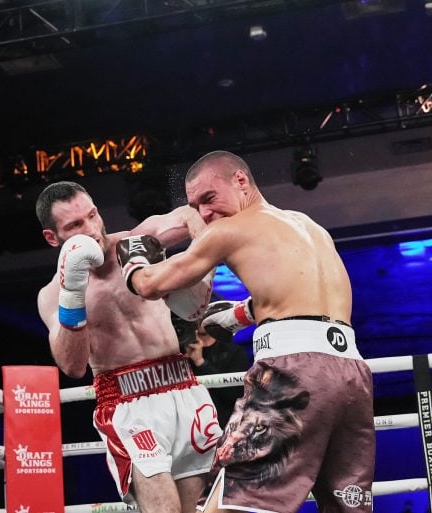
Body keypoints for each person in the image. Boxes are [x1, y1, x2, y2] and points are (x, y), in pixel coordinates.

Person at [116, 150, 375, 513]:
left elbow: (150, 285)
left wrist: (132, 258)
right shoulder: (309, 226)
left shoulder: (229, 229)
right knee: (346, 506)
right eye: (196, 206)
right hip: (352, 374)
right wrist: (239, 314)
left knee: (231, 505)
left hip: (294, 375)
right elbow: (299, 298)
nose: (205, 214)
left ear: (241, 181)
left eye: (209, 198)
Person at [35, 180, 223, 513]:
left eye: (92, 215)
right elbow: (73, 366)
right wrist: (73, 295)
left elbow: (186, 215)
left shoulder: (137, 243)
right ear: (53, 238)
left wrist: (201, 243)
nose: (91, 229)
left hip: (183, 388)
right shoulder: (52, 295)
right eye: (75, 225)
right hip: (127, 405)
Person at [182, 316, 251, 427]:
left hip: (223, 424)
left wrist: (200, 362)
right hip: (189, 423)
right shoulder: (181, 351)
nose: (200, 319)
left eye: (204, 314)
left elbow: (235, 395)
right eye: (196, 315)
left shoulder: (234, 352)